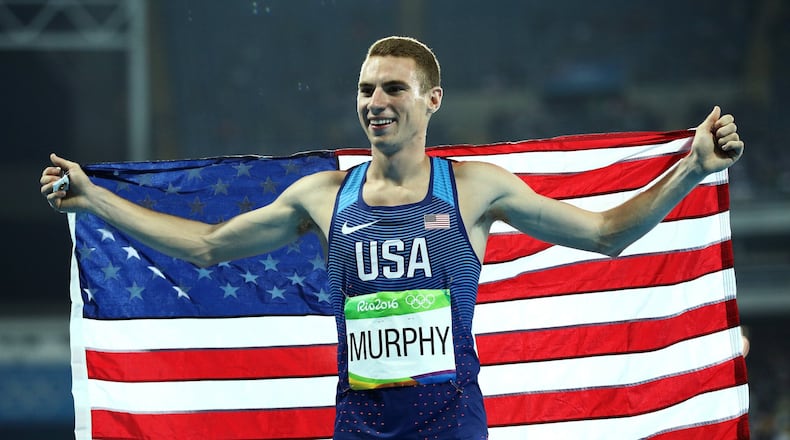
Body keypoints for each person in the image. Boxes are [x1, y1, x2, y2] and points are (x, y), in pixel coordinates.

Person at [41, 36, 744, 439]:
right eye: (365, 89)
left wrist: (691, 169)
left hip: (452, 426)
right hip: (360, 428)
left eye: (393, 89)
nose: (375, 103)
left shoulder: (474, 188)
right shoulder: (323, 196)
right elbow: (206, 246)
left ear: (432, 100)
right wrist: (95, 199)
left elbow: (607, 234)